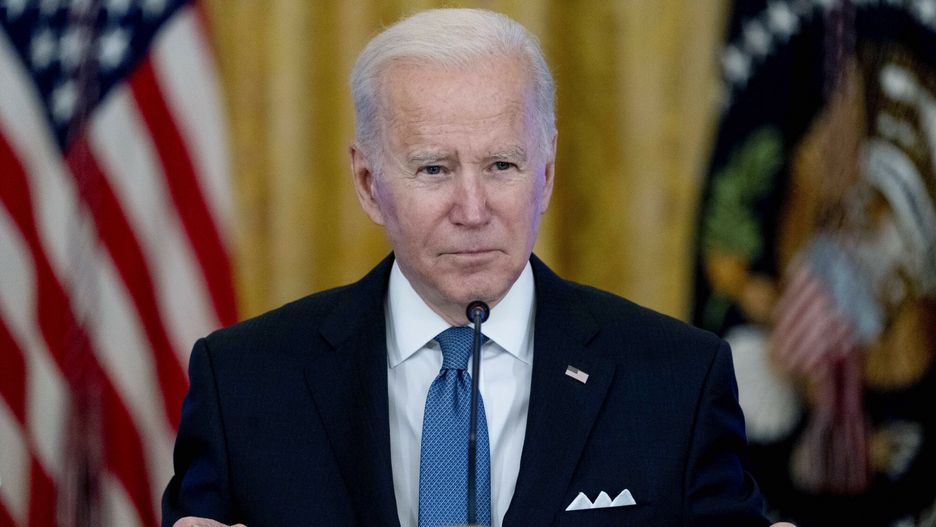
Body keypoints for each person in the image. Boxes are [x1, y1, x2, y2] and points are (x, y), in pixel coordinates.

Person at [162, 8, 793, 527]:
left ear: (545, 175)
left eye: (502, 166)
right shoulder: (243, 383)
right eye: (434, 168)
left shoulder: (676, 379)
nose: (472, 209)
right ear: (366, 182)